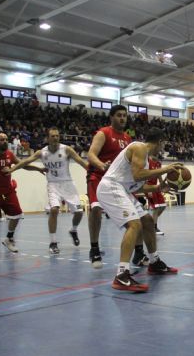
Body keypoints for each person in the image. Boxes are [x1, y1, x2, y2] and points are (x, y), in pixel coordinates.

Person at [97, 127, 181, 292]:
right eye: (163, 144)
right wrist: (165, 169)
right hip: (111, 187)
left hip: (124, 190)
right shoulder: (139, 147)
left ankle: (154, 262)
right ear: (160, 142)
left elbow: (138, 185)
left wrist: (158, 188)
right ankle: (121, 275)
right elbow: (138, 174)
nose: (163, 148)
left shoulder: (146, 159)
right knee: (134, 225)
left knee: (148, 221)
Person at [9, 127, 88, 254]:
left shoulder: (66, 149)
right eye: (53, 136)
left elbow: (81, 161)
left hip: (68, 184)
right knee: (54, 210)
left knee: (79, 212)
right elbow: (25, 162)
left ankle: (73, 230)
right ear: (48, 138)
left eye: (57, 135)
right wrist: (12, 169)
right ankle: (53, 242)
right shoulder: (42, 152)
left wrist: (92, 172)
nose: (55, 138)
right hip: (53, 184)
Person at [86, 105, 131, 268]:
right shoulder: (103, 133)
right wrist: (101, 165)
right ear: (111, 117)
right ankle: (94, 248)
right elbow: (90, 154)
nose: (122, 118)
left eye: (124, 115)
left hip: (116, 181)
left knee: (134, 215)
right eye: (119, 115)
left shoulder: (127, 138)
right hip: (97, 176)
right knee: (96, 209)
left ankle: (138, 252)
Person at [145, 153, 167, 236]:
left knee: (163, 205)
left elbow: (159, 175)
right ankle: (154, 228)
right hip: (148, 186)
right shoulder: (147, 162)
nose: (158, 155)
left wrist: (162, 186)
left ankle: (151, 223)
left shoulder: (158, 163)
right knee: (156, 208)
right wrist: (147, 188)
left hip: (156, 187)